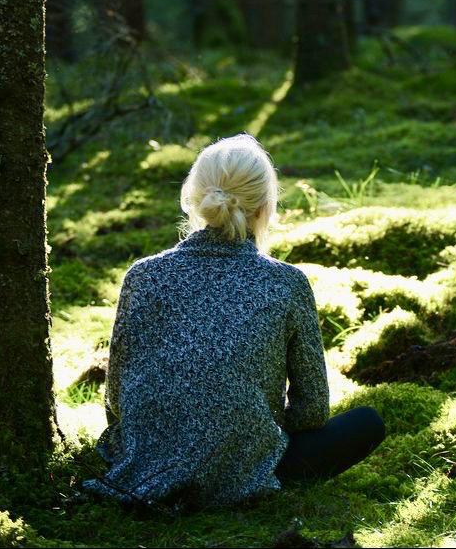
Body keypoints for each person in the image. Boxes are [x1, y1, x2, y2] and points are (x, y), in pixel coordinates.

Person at [83, 134, 385, 509]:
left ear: (193, 197)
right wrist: (248, 428)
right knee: (367, 423)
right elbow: (312, 411)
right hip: (243, 473)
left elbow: (116, 399)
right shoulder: (285, 282)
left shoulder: (143, 276)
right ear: (265, 207)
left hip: (143, 470)